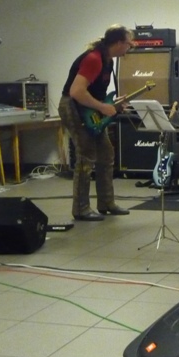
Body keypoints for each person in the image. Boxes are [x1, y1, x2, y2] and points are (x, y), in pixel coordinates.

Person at [59, 24, 135, 221]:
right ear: (118, 43)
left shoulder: (108, 61)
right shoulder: (94, 58)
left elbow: (95, 92)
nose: (130, 47)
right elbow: (76, 91)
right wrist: (102, 107)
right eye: (129, 44)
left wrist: (112, 104)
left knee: (106, 154)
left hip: (87, 107)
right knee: (86, 156)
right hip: (73, 107)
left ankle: (106, 203)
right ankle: (81, 209)